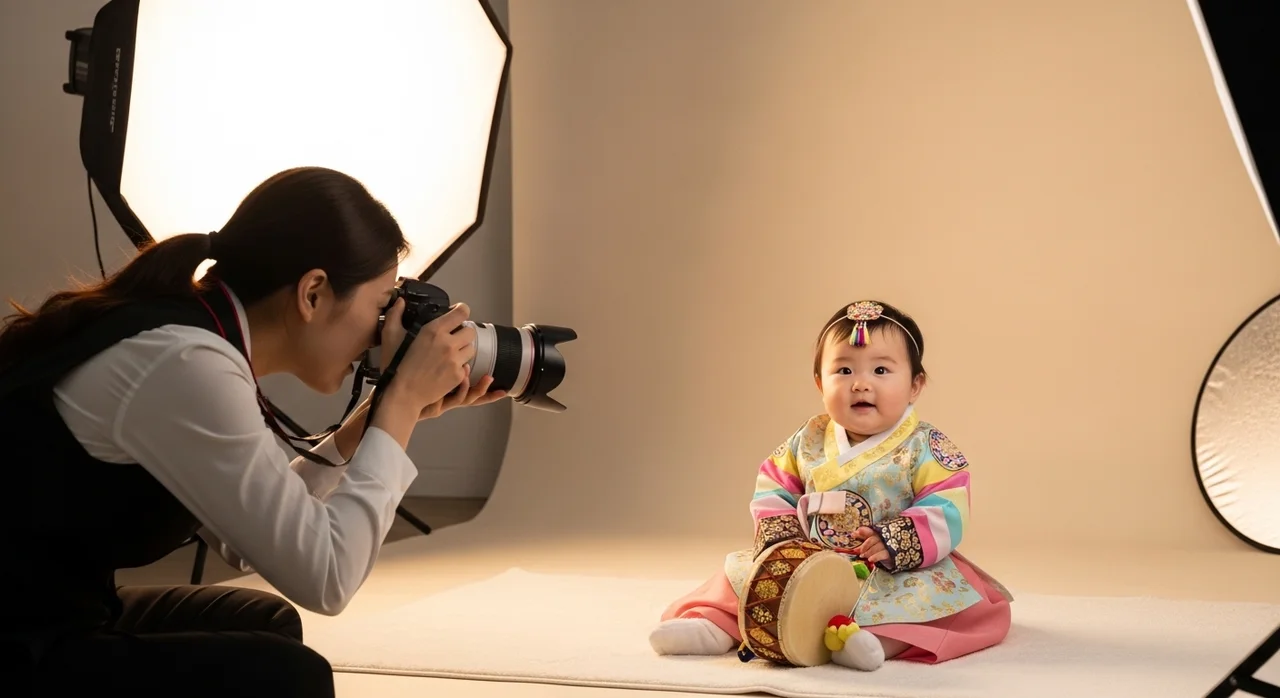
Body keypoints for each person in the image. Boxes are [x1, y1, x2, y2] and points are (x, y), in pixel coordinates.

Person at [0, 167, 506, 696]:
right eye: (382, 307)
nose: (384, 333)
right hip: (18, 643)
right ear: (313, 293)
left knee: (265, 622)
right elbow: (327, 578)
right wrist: (399, 406)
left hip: (59, 610)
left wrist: (371, 423)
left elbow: (251, 535)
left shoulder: (189, 334)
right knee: (289, 675)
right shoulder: (186, 364)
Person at [648, 300, 1013, 670]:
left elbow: (948, 502)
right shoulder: (808, 438)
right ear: (820, 383)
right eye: (843, 370)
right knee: (741, 576)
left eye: (881, 370)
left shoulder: (925, 445)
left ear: (915, 385)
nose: (860, 383)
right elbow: (773, 485)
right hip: (809, 559)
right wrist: (785, 538)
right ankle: (715, 626)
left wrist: (896, 540)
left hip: (889, 566)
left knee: (939, 602)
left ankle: (874, 642)